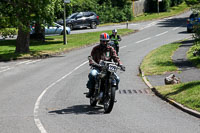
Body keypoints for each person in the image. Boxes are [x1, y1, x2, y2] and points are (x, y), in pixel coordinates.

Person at [86, 33, 125, 98]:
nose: (104, 43)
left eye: (106, 41)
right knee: (92, 74)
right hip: (98, 67)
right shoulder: (95, 49)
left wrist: (120, 64)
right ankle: (91, 91)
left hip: (108, 68)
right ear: (100, 41)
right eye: (103, 41)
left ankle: (111, 94)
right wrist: (92, 62)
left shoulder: (111, 49)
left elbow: (116, 57)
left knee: (117, 79)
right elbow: (91, 57)